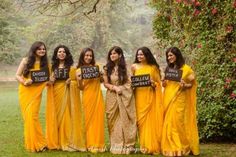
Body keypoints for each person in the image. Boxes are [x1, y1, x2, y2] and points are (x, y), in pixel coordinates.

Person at [46, 45, 86, 151]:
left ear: (67, 54)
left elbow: (77, 84)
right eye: (59, 52)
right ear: (56, 54)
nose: (61, 53)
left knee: (66, 116)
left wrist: (70, 82)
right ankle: (55, 141)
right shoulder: (51, 68)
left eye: (64, 52)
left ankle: (66, 141)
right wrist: (51, 80)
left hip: (67, 94)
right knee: (55, 116)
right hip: (55, 93)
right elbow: (48, 83)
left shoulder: (72, 69)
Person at [161, 47, 199, 156]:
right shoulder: (168, 69)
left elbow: (192, 84)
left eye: (171, 55)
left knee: (178, 122)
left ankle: (183, 147)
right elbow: (165, 85)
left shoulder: (187, 69)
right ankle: (170, 147)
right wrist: (163, 81)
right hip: (168, 97)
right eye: (168, 56)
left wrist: (184, 85)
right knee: (168, 122)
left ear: (177, 55)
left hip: (180, 98)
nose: (169, 58)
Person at [15, 41, 48, 152]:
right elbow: (17, 75)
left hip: (37, 93)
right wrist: (24, 82)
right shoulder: (26, 60)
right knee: (28, 117)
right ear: (34, 50)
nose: (42, 51)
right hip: (25, 91)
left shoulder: (46, 63)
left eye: (43, 49)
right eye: (39, 49)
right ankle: (36, 144)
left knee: (33, 117)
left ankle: (39, 143)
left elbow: (48, 77)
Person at [103, 46, 137, 154]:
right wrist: (114, 87)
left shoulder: (126, 69)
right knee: (112, 120)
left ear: (120, 55)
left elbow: (129, 83)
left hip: (124, 96)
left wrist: (121, 88)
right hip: (112, 97)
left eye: (114, 53)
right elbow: (106, 83)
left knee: (124, 120)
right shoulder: (106, 68)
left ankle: (127, 144)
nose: (112, 55)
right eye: (111, 54)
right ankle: (116, 144)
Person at [131, 46, 163, 154]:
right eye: (138, 54)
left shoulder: (153, 67)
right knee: (140, 121)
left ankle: (151, 145)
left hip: (150, 97)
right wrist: (132, 85)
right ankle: (143, 145)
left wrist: (152, 83)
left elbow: (159, 83)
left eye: (141, 54)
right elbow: (131, 81)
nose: (139, 56)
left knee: (150, 121)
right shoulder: (134, 66)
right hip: (138, 97)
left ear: (146, 55)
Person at [76, 48, 105, 153]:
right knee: (89, 120)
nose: (88, 57)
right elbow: (81, 87)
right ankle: (91, 144)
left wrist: (101, 75)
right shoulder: (79, 70)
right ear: (82, 56)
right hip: (87, 96)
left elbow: (101, 81)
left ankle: (99, 144)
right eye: (86, 55)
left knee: (98, 119)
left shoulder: (96, 68)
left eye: (90, 56)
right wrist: (79, 81)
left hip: (98, 96)